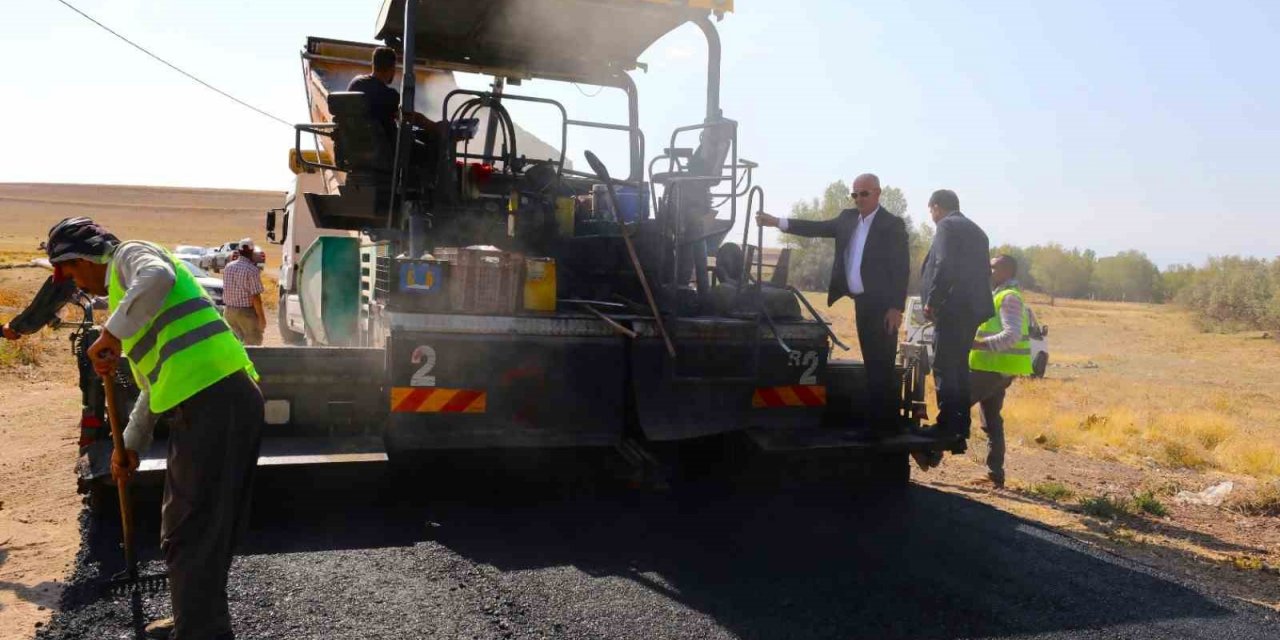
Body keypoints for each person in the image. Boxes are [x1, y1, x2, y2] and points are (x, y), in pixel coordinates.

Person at [46, 217, 264, 640]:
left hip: (214, 401)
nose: (75, 285)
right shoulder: (129, 301)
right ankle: (195, 623)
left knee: (190, 530)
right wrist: (128, 446)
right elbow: (151, 386)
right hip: (218, 401)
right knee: (199, 529)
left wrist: (111, 333)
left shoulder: (131, 256)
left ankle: (198, 632)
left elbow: (159, 274)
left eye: (70, 272)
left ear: (84, 258)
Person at [757, 174, 910, 438]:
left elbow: (901, 268)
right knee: (871, 364)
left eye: (864, 194)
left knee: (881, 366)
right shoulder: (847, 219)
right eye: (855, 194)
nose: (859, 199)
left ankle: (884, 428)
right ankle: (877, 426)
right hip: (862, 303)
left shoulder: (891, 225)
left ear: (877, 193)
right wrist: (777, 222)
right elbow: (814, 228)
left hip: (884, 307)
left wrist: (896, 307)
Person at [918, 190, 995, 442]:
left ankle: (947, 423)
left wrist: (932, 301)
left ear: (936, 207)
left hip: (952, 308)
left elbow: (944, 264)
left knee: (943, 365)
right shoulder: (977, 231)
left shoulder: (947, 226)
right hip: (972, 309)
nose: (932, 216)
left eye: (931, 211)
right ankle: (961, 423)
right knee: (959, 365)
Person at [969, 255, 1035, 487]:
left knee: (955, 404)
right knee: (991, 421)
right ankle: (995, 474)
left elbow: (1012, 334)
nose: (988, 271)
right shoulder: (998, 295)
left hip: (993, 369)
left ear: (1006, 271)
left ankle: (931, 454)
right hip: (994, 368)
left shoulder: (1009, 298)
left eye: (993, 267)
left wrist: (978, 344)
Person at [347, 46, 435, 145]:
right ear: (392, 68)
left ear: (374, 64)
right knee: (429, 152)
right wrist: (435, 126)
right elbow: (410, 117)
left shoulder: (356, 83)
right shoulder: (389, 95)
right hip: (384, 148)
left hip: (357, 145)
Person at [221, 242, 266, 346]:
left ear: (239, 251)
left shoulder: (228, 267)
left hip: (229, 312)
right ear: (252, 252)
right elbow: (256, 297)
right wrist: (261, 318)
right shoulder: (252, 270)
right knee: (253, 345)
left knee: (233, 345)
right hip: (246, 313)